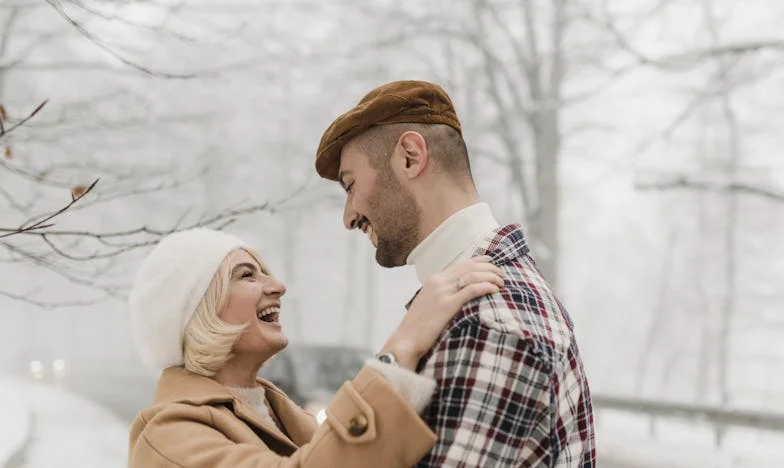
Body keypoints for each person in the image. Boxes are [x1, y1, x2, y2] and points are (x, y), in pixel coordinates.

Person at [315, 80, 596, 467]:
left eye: (350, 185)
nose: (348, 217)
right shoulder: (467, 304)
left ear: (411, 157)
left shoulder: (490, 320)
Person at [127, 228, 504, 468]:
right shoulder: (167, 436)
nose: (277, 286)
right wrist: (401, 346)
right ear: (197, 312)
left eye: (266, 271)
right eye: (246, 274)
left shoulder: (276, 410)